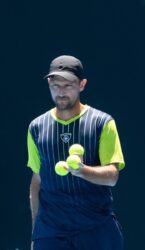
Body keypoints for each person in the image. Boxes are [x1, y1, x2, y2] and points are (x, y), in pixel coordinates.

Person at [27, 55, 125, 250]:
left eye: (68, 85)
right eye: (56, 85)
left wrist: (82, 171)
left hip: (97, 230)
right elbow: (37, 181)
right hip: (51, 233)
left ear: (82, 85)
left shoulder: (103, 123)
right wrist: (35, 233)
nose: (61, 92)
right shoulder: (36, 127)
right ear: (48, 84)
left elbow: (112, 176)